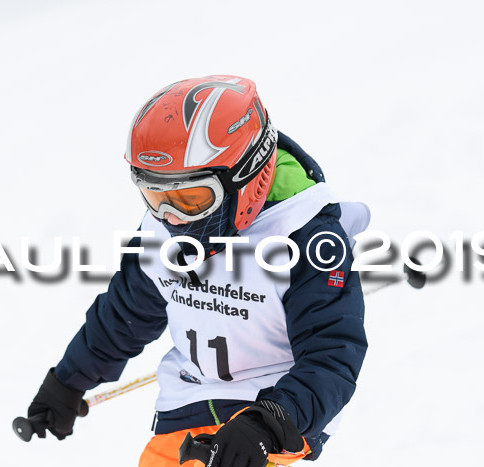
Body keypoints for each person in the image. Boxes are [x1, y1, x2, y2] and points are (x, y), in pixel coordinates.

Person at [24, 75, 370, 467]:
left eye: (191, 198)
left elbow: (332, 356)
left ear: (246, 176)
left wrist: (270, 422)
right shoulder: (164, 231)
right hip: (190, 403)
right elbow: (126, 313)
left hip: (279, 414)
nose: (171, 217)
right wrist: (68, 380)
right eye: (156, 196)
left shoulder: (304, 239)